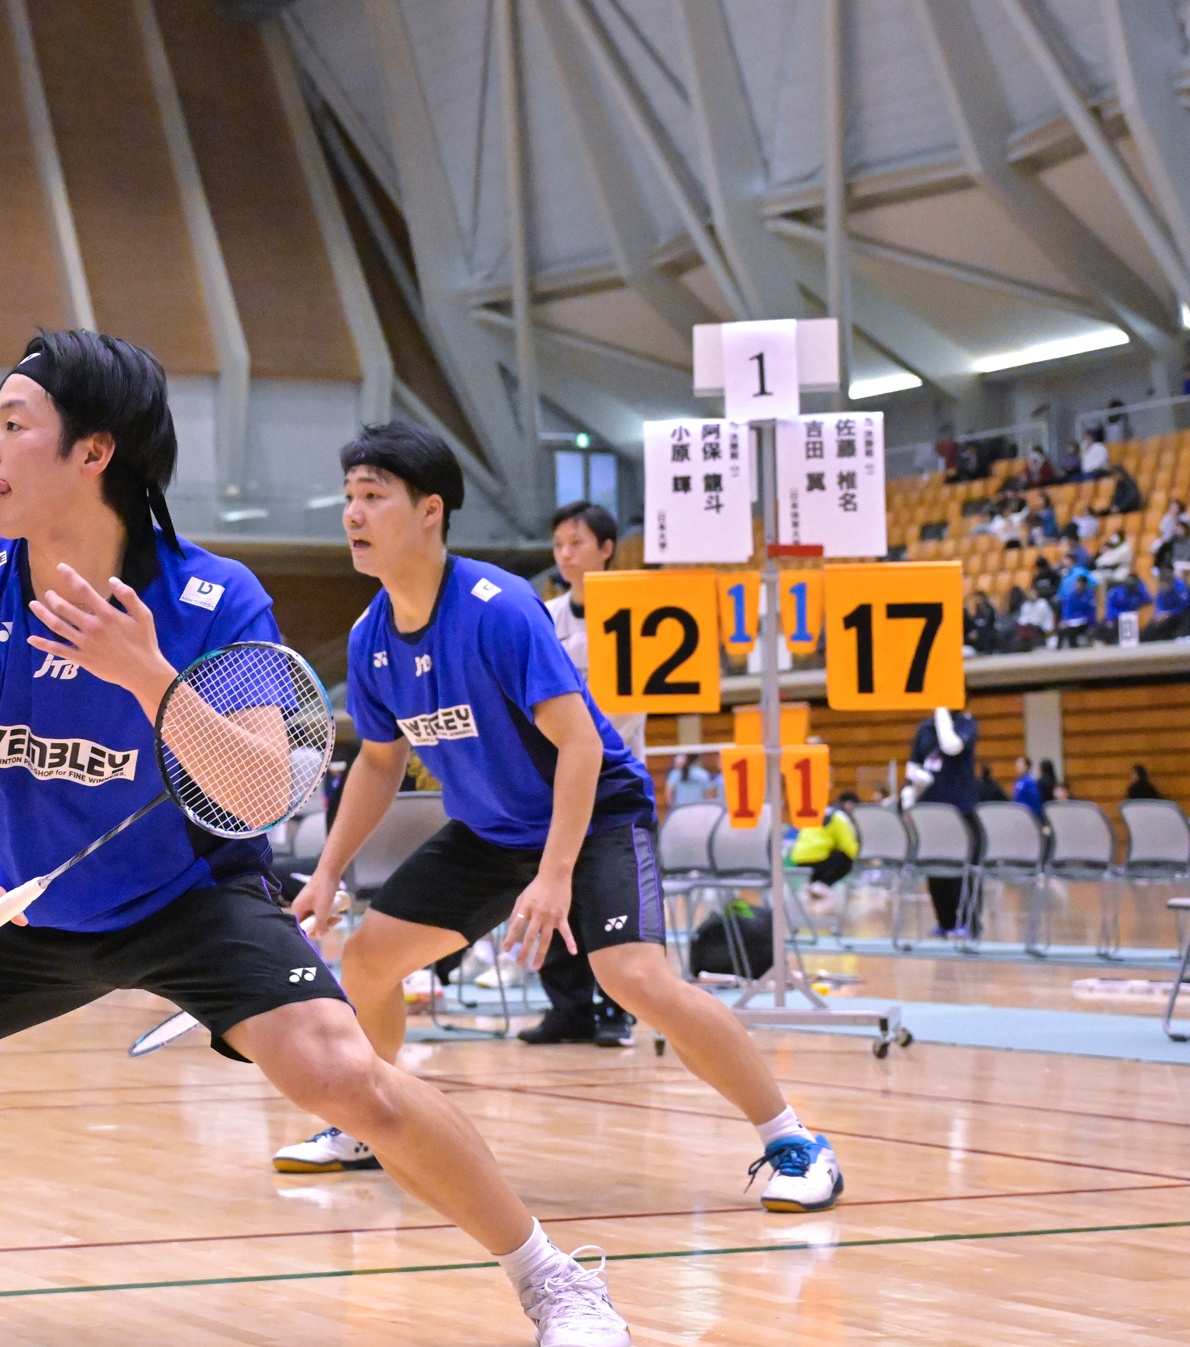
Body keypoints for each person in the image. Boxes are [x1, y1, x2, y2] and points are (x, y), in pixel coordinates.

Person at [0, 333, 639, 1347]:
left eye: (13, 425)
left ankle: (551, 1275)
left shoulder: (213, 598)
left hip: (194, 897)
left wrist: (147, 675)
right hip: (25, 899)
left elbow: (258, 791)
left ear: (94, 451)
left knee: (346, 1078)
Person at [267, 418, 843, 1216]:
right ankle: (368, 1122)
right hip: (492, 832)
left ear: (430, 510)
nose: (353, 515)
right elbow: (378, 761)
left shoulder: (497, 608)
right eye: (348, 498)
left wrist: (556, 875)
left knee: (632, 976)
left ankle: (795, 1142)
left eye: (373, 496)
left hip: (595, 812)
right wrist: (328, 872)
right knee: (366, 961)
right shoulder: (371, 639)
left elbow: (579, 744)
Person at [526, 500, 638, 1048]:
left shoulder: (639, 612)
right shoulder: (544, 619)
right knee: (554, 886)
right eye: (558, 546)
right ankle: (567, 1009)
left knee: (610, 897)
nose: (565, 555)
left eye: (577, 543)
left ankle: (619, 1011)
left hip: (616, 780)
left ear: (607, 548)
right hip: (558, 779)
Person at [904, 706, 980, 937]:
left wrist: (942, 715)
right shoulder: (924, 728)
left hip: (960, 808)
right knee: (935, 865)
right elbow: (913, 765)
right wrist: (917, 780)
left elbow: (952, 746)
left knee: (964, 867)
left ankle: (969, 923)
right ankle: (945, 921)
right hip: (930, 808)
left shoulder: (966, 723)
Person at [790, 790, 860, 915]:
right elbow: (849, 846)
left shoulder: (820, 812)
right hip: (818, 861)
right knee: (845, 857)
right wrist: (862, 858)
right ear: (850, 804)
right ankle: (822, 884)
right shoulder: (839, 817)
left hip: (798, 859)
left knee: (832, 852)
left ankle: (813, 887)